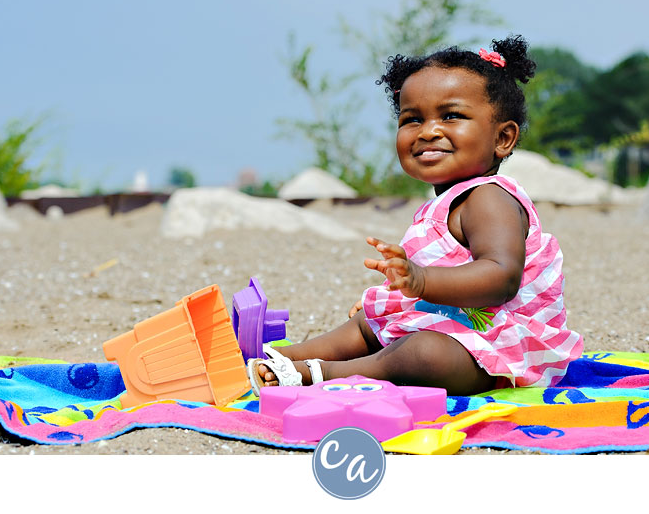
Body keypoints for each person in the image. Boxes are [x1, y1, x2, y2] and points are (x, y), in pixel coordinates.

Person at [248, 34, 583, 396]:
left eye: (451, 116)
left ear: (503, 138)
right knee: (370, 320)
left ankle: (323, 373)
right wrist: (405, 292)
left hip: (504, 347)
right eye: (412, 119)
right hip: (459, 322)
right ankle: (279, 357)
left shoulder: (490, 198)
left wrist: (420, 281)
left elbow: (501, 278)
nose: (429, 131)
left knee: (421, 354)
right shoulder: (444, 203)